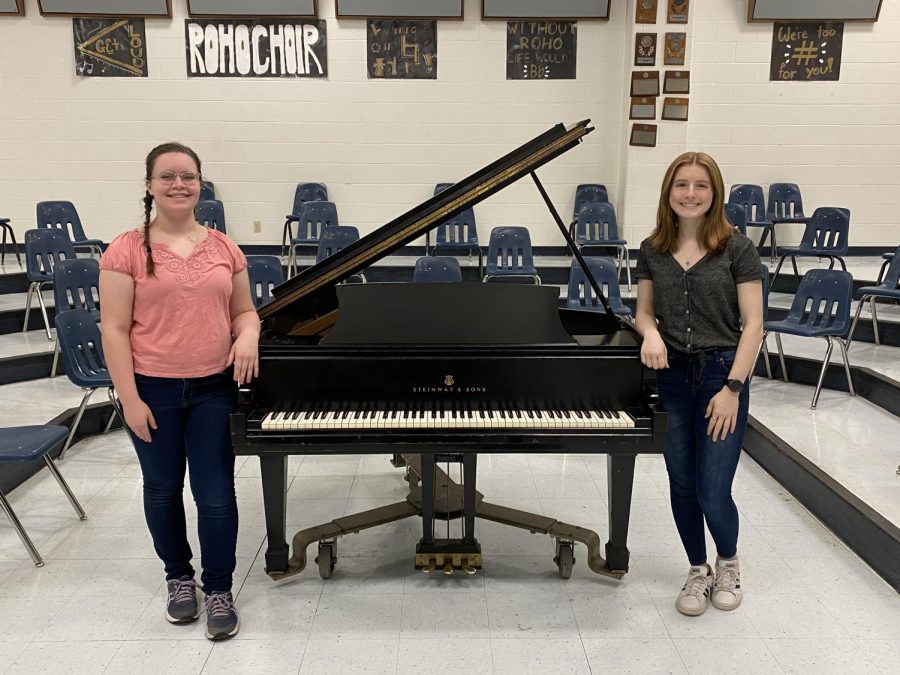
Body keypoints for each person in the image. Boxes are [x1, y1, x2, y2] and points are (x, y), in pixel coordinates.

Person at [99, 142, 260, 640]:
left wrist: (250, 333)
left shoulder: (224, 247)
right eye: (167, 176)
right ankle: (178, 579)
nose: (178, 185)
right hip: (153, 389)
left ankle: (218, 588)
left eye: (187, 176)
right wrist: (129, 399)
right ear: (149, 185)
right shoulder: (125, 249)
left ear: (200, 184)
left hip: (214, 387)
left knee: (215, 494)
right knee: (163, 489)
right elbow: (113, 329)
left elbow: (244, 311)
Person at [634, 151, 763, 617]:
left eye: (700, 186)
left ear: (715, 193)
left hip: (720, 375)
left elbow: (753, 325)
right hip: (671, 378)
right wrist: (648, 332)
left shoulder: (738, 248)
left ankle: (727, 563)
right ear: (669, 192)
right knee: (682, 482)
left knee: (712, 487)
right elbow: (644, 311)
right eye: (682, 185)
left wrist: (732, 388)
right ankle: (697, 569)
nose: (691, 194)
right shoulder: (652, 249)